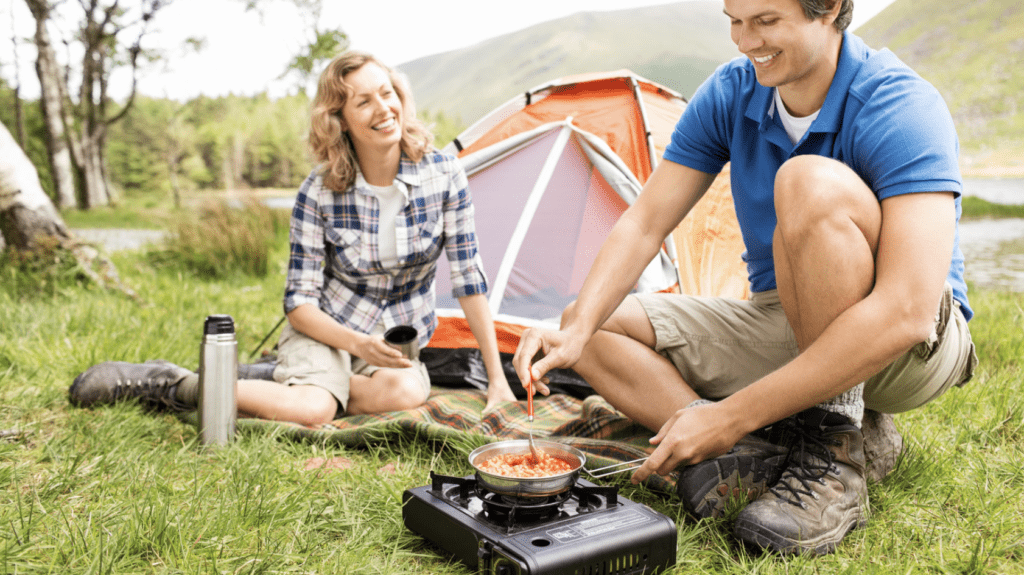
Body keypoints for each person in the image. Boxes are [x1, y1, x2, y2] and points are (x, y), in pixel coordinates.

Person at [512, 0, 977, 556]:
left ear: (828, 9)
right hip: (788, 317)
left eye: (766, 21)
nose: (744, 40)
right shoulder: (733, 91)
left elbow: (907, 311)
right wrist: (576, 327)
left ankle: (831, 454)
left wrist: (727, 414)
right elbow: (644, 223)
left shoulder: (901, 103)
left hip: (912, 348)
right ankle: (752, 452)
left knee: (807, 183)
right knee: (589, 325)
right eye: (734, 19)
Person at [71, 51, 516, 423]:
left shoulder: (444, 174)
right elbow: (299, 304)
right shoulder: (319, 190)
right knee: (316, 409)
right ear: (339, 120)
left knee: (404, 393)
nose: (384, 109)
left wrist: (497, 380)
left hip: (396, 344)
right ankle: (173, 383)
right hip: (327, 331)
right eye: (364, 102)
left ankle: (270, 381)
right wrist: (355, 343)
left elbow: (469, 281)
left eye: (388, 93)